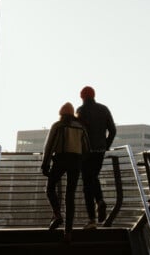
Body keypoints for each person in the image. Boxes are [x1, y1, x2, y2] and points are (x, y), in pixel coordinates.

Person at [41, 102, 90, 242]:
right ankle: (68, 232)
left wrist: (45, 164)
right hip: (76, 162)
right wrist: (81, 161)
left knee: (50, 188)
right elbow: (87, 148)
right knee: (70, 196)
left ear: (61, 113)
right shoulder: (80, 127)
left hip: (61, 159)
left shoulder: (58, 125)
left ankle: (57, 215)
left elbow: (49, 145)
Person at [77, 85, 116, 229]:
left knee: (87, 184)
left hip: (85, 151)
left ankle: (92, 219)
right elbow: (113, 130)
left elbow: (78, 133)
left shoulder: (80, 111)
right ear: (94, 95)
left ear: (82, 97)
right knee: (93, 177)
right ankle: (100, 201)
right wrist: (106, 145)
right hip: (99, 151)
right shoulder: (104, 109)